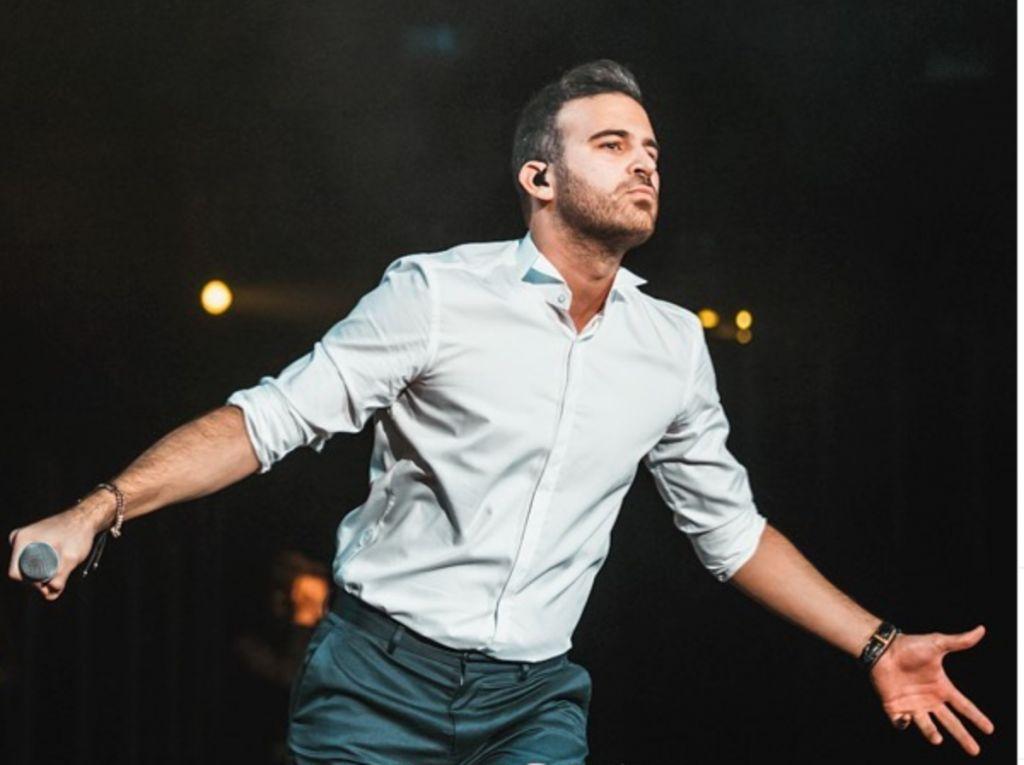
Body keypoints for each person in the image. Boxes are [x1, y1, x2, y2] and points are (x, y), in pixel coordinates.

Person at [7, 60, 994, 763]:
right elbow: (266, 423)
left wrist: (877, 642)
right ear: (538, 178)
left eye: (650, 150)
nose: (644, 164)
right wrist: (98, 508)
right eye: (611, 144)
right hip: (375, 681)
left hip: (532, 703)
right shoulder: (436, 295)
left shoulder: (670, 346)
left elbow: (730, 533)